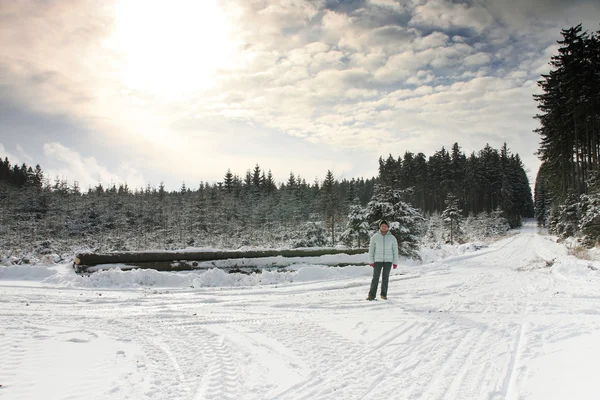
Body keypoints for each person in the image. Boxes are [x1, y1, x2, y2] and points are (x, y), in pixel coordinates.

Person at [367, 219, 399, 300]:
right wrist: (371, 261)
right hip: (377, 260)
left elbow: (395, 250)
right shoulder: (375, 237)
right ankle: (371, 295)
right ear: (380, 227)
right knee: (375, 277)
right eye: (382, 226)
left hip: (388, 261)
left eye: (385, 226)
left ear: (388, 227)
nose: (384, 227)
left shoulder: (392, 238)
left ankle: (383, 295)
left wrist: (395, 262)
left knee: (385, 278)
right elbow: (371, 250)